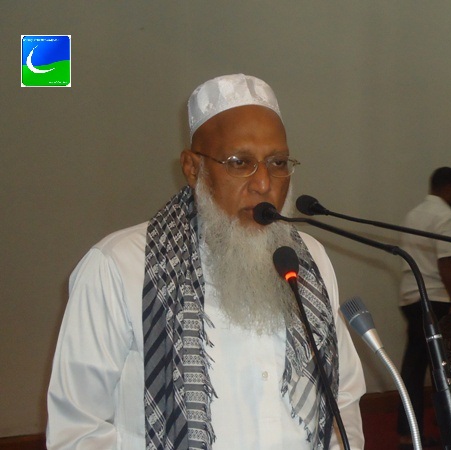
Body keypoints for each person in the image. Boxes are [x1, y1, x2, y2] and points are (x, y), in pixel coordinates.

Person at [46, 74, 366, 450]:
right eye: (240, 163)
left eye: (278, 162)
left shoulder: (308, 260)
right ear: (193, 168)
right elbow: (78, 430)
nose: (264, 183)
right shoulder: (117, 267)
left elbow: (342, 396)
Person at [396, 167, 451, 448]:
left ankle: (408, 434)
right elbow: (445, 261)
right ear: (447, 188)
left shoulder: (414, 215)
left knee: (415, 369)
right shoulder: (446, 216)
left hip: (412, 298)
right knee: (441, 370)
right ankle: (444, 432)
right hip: (436, 300)